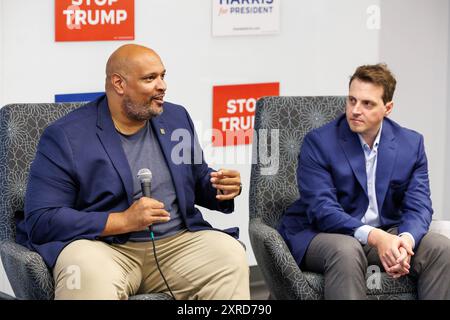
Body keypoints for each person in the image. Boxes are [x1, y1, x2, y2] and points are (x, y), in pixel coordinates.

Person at [16, 44, 249, 300]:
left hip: (177, 244)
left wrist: (219, 187)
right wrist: (122, 220)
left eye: (162, 76)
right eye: (150, 78)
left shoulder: (176, 117)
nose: (162, 86)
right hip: (104, 248)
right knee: (84, 270)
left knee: (229, 255)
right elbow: (42, 220)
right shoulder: (66, 136)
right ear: (119, 84)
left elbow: (196, 179)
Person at [278, 63, 450, 299]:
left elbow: (419, 206)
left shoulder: (410, 144)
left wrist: (404, 240)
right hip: (323, 233)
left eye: (367, 103)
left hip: (386, 233)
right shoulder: (319, 142)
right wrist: (375, 237)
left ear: (387, 108)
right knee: (347, 251)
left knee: (440, 248)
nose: (355, 110)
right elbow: (322, 210)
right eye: (352, 100)